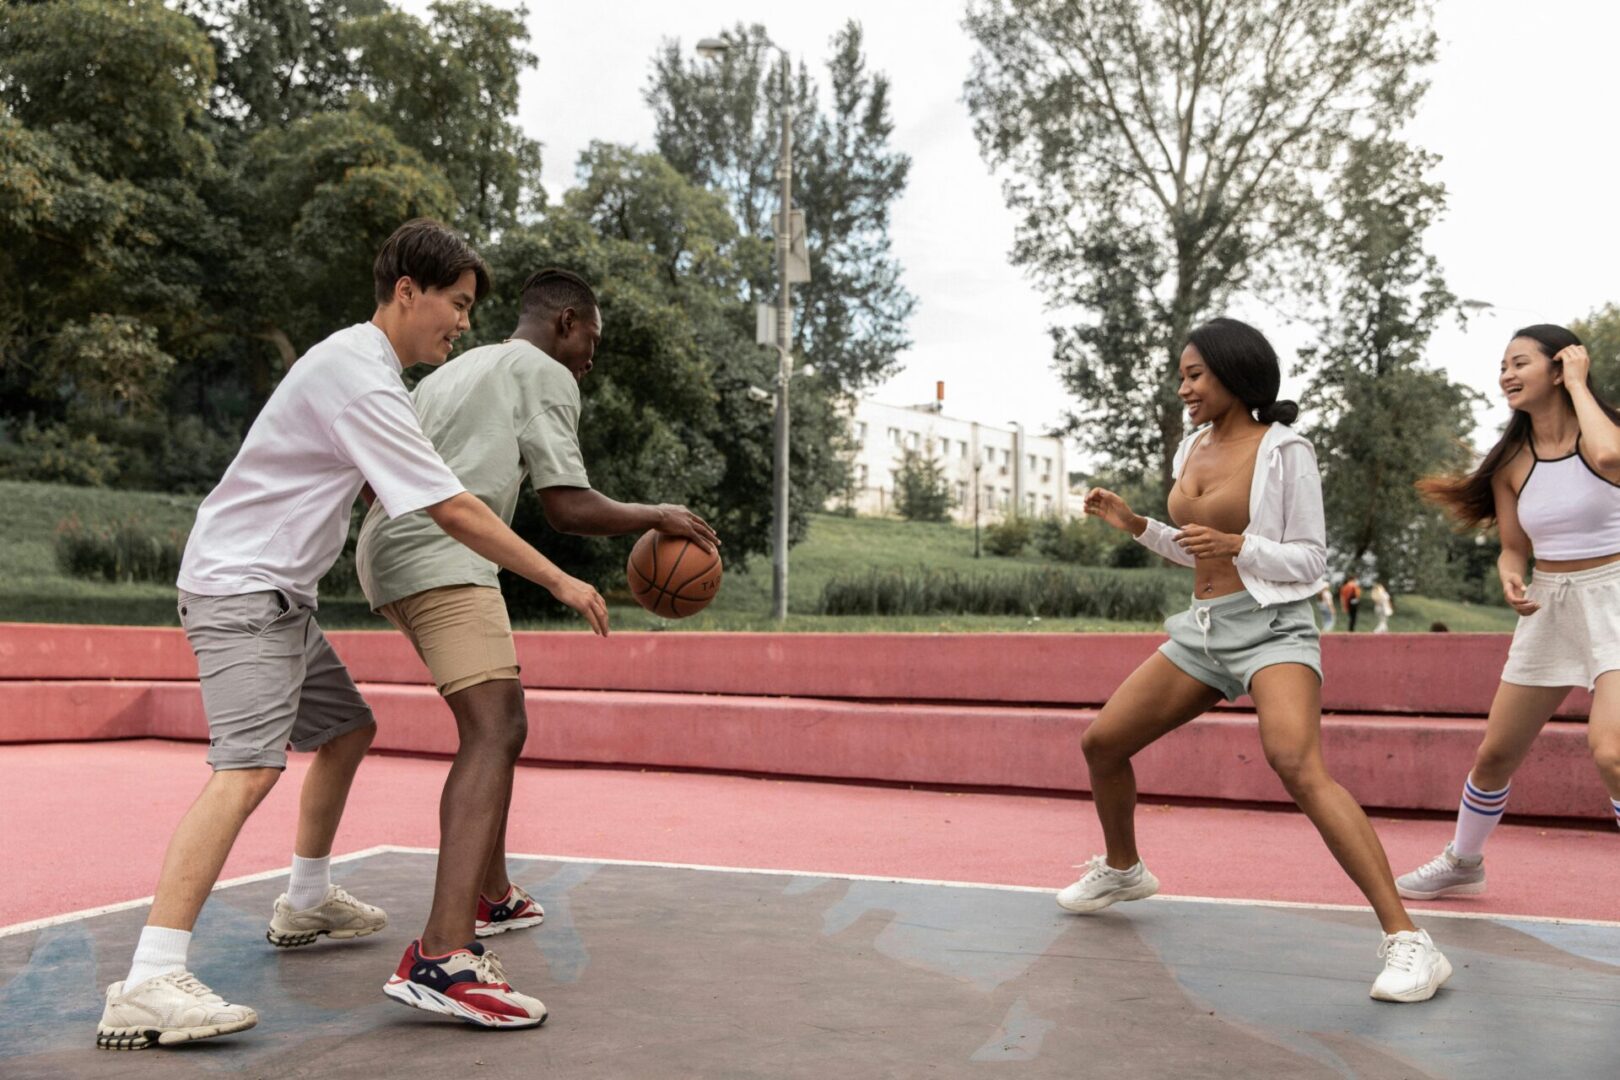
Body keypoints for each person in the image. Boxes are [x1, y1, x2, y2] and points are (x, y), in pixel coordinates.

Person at [96, 220, 609, 1052]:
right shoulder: (359, 376)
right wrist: (555, 577)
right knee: (248, 767)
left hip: (275, 592)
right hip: (242, 588)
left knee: (346, 729)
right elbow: (448, 507)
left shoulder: (366, 370)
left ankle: (305, 899)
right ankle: (149, 979)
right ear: (407, 291)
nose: (463, 322)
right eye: (456, 303)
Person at [355, 268, 718, 1028]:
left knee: (492, 718)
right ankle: (443, 956)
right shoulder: (544, 371)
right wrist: (661, 514)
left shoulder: (459, 369)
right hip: (442, 553)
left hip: (384, 550)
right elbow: (567, 505)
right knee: (498, 726)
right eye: (592, 336)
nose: (592, 353)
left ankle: (489, 895)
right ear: (565, 322)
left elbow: (370, 481)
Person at [1073, 317, 1450, 1003]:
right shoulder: (1192, 443)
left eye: (1194, 375)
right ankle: (1124, 868)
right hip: (1206, 628)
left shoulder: (1286, 450)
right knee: (1103, 743)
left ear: (1233, 372)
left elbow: (1309, 559)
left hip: (1274, 628)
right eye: (1181, 375)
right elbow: (1198, 547)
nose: (1183, 387)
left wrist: (1238, 545)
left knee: (1296, 763)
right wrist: (1136, 526)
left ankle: (1410, 942)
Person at [1396, 325, 1620, 900]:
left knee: (1614, 751)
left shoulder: (1609, 431)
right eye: (1502, 366)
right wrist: (1509, 572)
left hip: (1615, 594)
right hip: (1550, 602)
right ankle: (1463, 861)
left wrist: (1578, 384)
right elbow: (1515, 545)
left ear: (1562, 366)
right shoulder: (1512, 463)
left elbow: (1608, 456)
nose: (1507, 375)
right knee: (1495, 752)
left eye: (1520, 362)